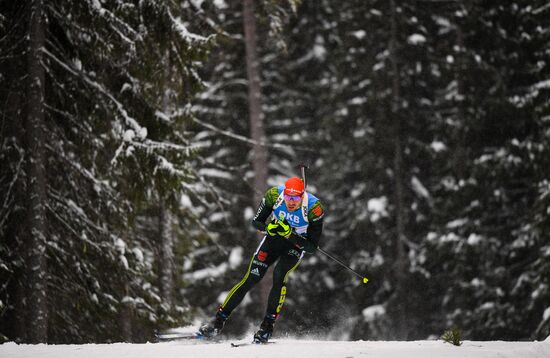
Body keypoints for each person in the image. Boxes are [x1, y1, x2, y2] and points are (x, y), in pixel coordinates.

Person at [198, 176, 325, 343]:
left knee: (279, 275)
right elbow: (256, 222)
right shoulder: (273, 195)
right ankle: (217, 322)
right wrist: (268, 228)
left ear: (302, 196)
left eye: (295, 198)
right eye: (288, 197)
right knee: (251, 278)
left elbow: (311, 247)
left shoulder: (314, 208)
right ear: (284, 194)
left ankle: (267, 327)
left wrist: (290, 235)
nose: (291, 202)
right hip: (273, 241)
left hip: (295, 246)